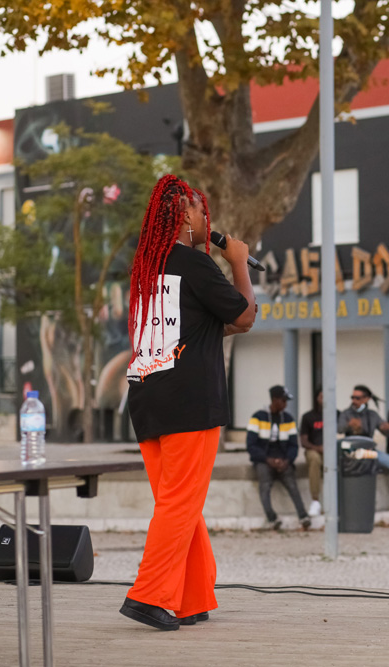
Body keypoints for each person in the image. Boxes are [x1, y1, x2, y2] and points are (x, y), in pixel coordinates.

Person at [121, 174, 256, 631]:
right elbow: (244, 316)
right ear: (183, 216)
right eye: (201, 210)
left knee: (178, 502)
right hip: (189, 400)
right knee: (180, 503)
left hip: (148, 397)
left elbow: (210, 325)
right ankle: (148, 595)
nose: (206, 219)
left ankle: (192, 596)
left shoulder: (146, 269)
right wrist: (238, 263)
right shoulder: (196, 265)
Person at [338, 385, 389, 510]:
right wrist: (349, 425)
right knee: (368, 463)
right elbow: (339, 429)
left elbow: (388, 432)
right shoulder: (346, 414)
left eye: (358, 398)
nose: (354, 400)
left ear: (366, 399)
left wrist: (388, 428)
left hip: (370, 451)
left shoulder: (372, 415)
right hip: (353, 452)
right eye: (352, 397)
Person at [247, 385, 311, 530]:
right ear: (275, 400)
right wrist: (267, 460)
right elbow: (251, 445)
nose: (286, 404)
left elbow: (294, 445)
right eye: (283, 400)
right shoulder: (258, 417)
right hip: (263, 460)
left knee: (292, 484)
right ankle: (272, 518)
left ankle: (303, 516)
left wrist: (287, 460)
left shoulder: (288, 419)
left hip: (283, 460)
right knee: (264, 485)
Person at [300, 388, 325, 517]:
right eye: (322, 396)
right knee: (315, 459)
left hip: (331, 451)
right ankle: (315, 501)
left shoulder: (336, 414)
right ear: (316, 398)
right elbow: (303, 441)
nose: (324, 399)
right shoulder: (308, 417)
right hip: (313, 449)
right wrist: (318, 448)